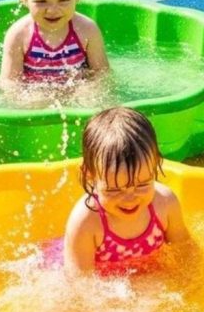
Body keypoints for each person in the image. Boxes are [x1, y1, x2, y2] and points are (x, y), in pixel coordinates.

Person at [64, 106, 188, 273]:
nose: (130, 198)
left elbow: (185, 253)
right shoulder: (86, 222)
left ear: (154, 166)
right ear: (90, 175)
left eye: (142, 184)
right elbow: (80, 283)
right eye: (114, 189)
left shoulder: (165, 203)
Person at [0, 0, 109, 85]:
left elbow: (102, 74)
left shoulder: (87, 30)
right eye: (41, 1)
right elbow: (9, 83)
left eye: (63, 0)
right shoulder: (18, 35)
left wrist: (90, 92)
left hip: (76, 89)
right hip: (36, 93)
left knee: (86, 95)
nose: (52, 10)